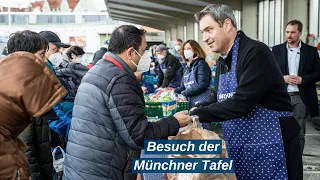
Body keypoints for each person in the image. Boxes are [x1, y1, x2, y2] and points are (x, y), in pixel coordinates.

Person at [63, 25, 192, 180]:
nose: (144, 57)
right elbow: (140, 134)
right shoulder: (120, 79)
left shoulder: (98, 71)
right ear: (131, 52)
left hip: (84, 166)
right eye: (143, 51)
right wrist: (174, 122)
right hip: (103, 170)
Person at [190, 4, 302, 180]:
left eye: (209, 30)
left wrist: (200, 114)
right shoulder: (223, 61)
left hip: (273, 145)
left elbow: (242, 102)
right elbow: (220, 98)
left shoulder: (255, 52)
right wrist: (197, 108)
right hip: (244, 146)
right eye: (203, 32)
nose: (205, 38)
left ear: (227, 24)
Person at [0, 31, 67, 180]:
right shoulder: (19, 97)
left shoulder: (26, 90)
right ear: (26, 58)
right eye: (42, 55)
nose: (45, 61)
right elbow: (27, 149)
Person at [272, 20, 320, 153]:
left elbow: (318, 73)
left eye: (293, 32)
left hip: (301, 97)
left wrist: (302, 79)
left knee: (298, 132)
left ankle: (296, 163)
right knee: (280, 131)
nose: (289, 35)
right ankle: (282, 161)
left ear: (299, 33)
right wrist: (283, 78)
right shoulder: (276, 50)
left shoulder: (311, 51)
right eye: (287, 32)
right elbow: (268, 72)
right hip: (281, 97)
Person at [175, 40, 211, 107]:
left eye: (188, 48)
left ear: (195, 50)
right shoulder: (186, 67)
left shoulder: (201, 64)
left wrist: (184, 93)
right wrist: (173, 91)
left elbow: (202, 85)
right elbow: (183, 86)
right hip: (191, 101)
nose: (186, 51)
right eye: (184, 49)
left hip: (202, 102)